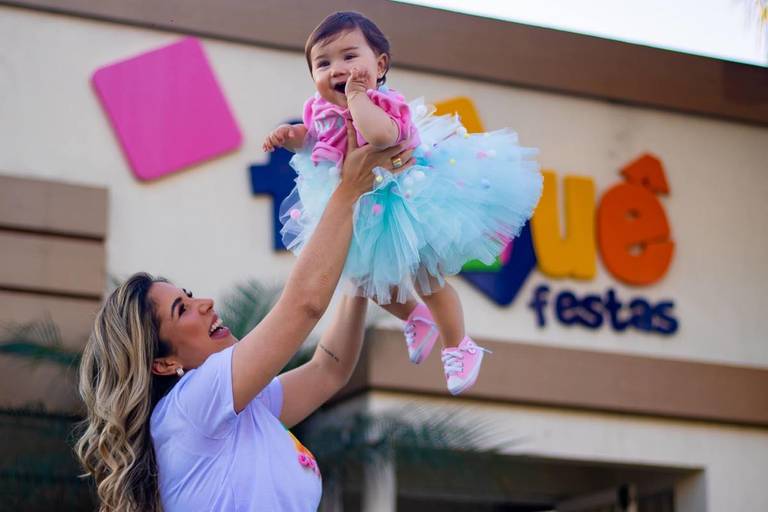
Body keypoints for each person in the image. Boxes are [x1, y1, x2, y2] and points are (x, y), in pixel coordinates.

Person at [75, 126, 414, 512]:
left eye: (187, 296)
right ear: (164, 362)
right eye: (181, 310)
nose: (203, 303)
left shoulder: (240, 411)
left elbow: (327, 371)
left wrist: (358, 278)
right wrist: (350, 189)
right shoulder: (190, 407)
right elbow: (304, 305)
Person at [263, 11, 542, 395]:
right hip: (363, 204)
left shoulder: (384, 102)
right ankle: (415, 318)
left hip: (408, 196)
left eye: (349, 57)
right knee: (367, 280)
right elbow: (314, 140)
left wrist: (359, 97)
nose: (337, 69)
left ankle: (459, 344)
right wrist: (290, 135)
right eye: (323, 63)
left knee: (427, 278)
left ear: (379, 66)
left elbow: (379, 136)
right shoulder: (321, 112)